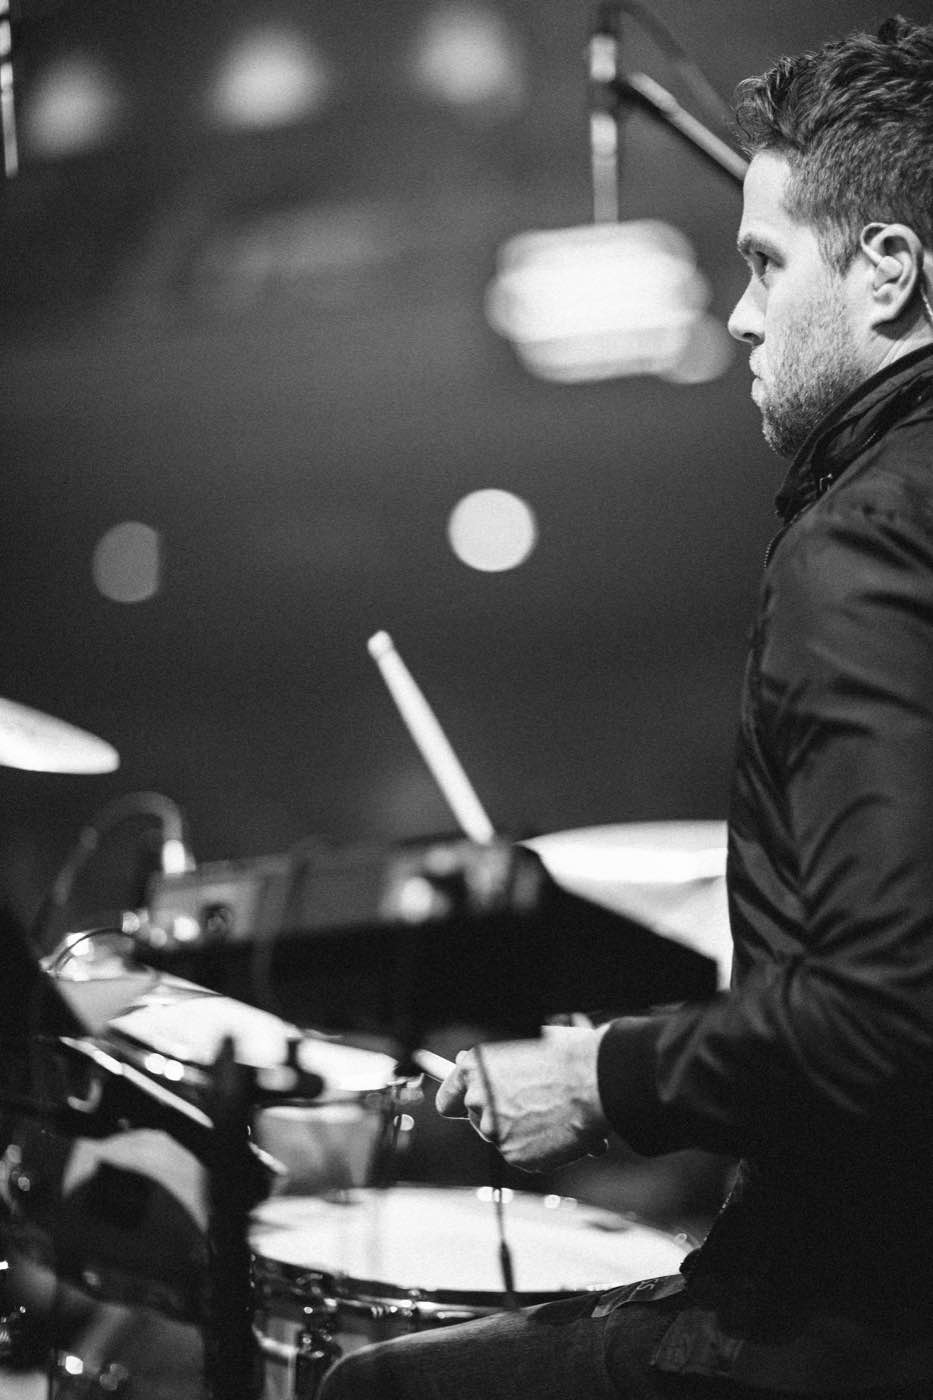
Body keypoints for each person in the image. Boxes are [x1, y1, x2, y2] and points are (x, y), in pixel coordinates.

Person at [319, 16, 933, 1398]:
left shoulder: (863, 540)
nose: (738, 315)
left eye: (768, 264)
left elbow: (889, 1008)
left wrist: (600, 1080)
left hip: (848, 1325)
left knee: (374, 1389)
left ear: (888, 273)